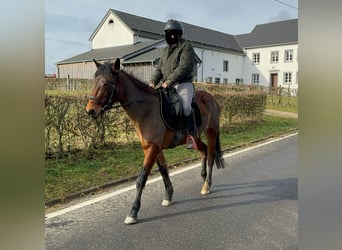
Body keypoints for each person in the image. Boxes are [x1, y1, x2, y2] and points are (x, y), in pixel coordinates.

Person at [149, 19, 198, 149]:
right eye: (168, 33)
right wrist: (153, 82)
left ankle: (191, 136)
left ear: (179, 34)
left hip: (182, 83)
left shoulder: (186, 46)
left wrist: (169, 81)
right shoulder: (164, 51)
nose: (170, 36)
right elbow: (159, 69)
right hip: (166, 84)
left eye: (173, 33)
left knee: (186, 106)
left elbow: (184, 67)